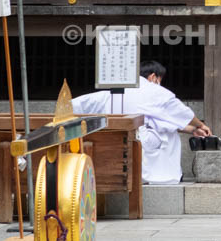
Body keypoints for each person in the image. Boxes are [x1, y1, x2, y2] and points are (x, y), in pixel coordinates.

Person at [72, 60, 211, 185]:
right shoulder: (154, 91)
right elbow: (181, 112)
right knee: (168, 137)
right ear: (153, 77)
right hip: (140, 142)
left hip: (112, 142)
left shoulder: (112, 92)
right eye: (159, 80)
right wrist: (200, 125)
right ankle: (162, 176)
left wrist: (191, 130)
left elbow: (75, 104)